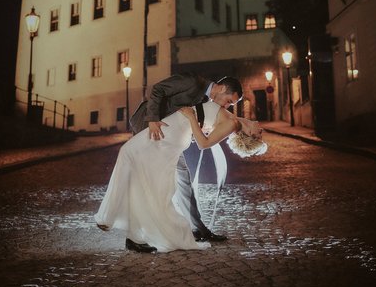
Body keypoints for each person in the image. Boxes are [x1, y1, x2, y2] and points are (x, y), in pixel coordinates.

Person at [95, 99, 267, 253]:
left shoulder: (232, 125)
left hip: (173, 133)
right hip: (175, 126)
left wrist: (192, 118)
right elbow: (208, 118)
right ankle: (133, 235)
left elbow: (204, 143)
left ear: (249, 134)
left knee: (130, 154)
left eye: (259, 134)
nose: (262, 129)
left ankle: (110, 218)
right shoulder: (232, 118)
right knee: (142, 170)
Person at [128, 73, 242, 248]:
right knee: (150, 184)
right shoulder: (192, 80)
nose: (226, 106)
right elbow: (158, 89)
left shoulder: (206, 100)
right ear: (222, 88)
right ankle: (134, 237)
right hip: (150, 130)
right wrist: (152, 120)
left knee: (183, 181)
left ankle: (198, 229)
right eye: (228, 101)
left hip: (169, 138)